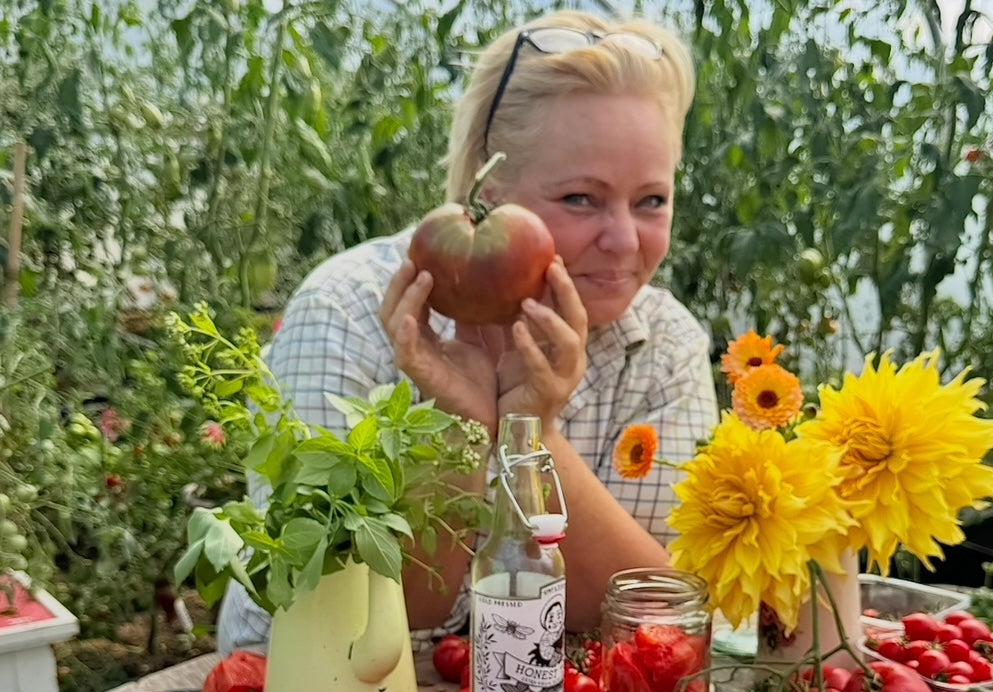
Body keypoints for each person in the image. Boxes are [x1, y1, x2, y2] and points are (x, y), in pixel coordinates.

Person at [216, 9, 719, 655]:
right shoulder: (345, 313)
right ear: (487, 188)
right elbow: (340, 620)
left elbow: (652, 616)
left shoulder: (663, 345)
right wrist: (457, 427)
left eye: (652, 200)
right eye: (580, 199)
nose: (623, 241)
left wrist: (532, 433)